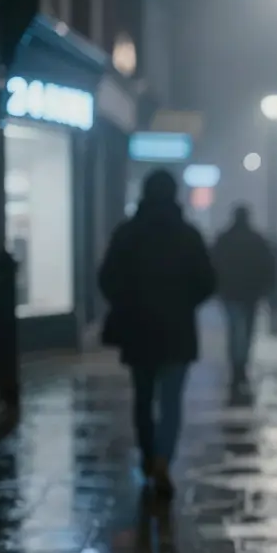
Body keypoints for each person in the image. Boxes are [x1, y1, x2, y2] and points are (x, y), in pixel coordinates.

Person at [99, 170, 216, 496]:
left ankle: (148, 456)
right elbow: (207, 281)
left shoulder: (128, 233)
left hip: (139, 330)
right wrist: (184, 303)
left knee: (143, 398)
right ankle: (164, 458)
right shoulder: (188, 235)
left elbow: (107, 278)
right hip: (177, 331)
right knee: (171, 402)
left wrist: (126, 303)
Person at [210, 204, 277, 396]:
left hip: (230, 294)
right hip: (251, 294)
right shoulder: (256, 240)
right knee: (247, 332)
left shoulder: (224, 239)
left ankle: (236, 368)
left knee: (234, 331)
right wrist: (266, 289)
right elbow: (268, 265)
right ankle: (242, 366)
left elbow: (213, 264)